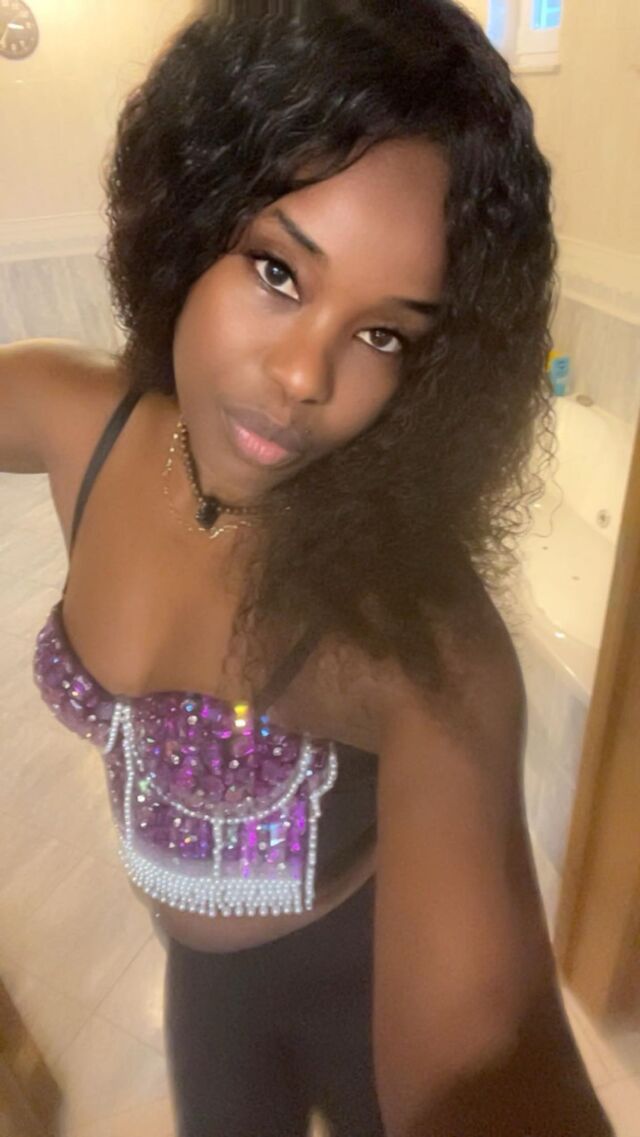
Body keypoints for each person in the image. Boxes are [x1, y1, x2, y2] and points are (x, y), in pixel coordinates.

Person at [1, 1, 615, 1135]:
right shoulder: (70, 412)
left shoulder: (417, 637)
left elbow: (485, 1060)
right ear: (189, 221)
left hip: (359, 980)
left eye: (383, 334)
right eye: (279, 271)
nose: (303, 377)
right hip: (201, 984)